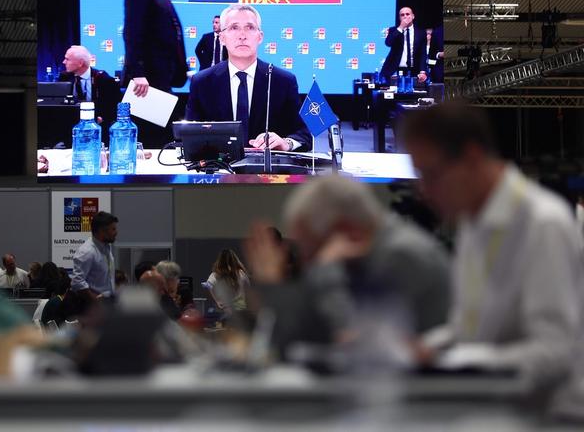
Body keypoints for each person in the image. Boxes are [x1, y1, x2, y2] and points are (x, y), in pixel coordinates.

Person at [401, 100, 583, 387]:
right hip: (490, 398)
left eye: (431, 175)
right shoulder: (472, 222)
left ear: (471, 157)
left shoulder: (543, 224)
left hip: (549, 409)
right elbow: (468, 329)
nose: (424, 190)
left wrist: (458, 361)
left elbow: (555, 351)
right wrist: (424, 347)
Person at [245, 175, 451, 363]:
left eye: (311, 252)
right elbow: (301, 341)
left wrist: (324, 270)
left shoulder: (401, 256)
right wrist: (272, 290)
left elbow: (358, 348)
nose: (308, 264)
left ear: (343, 230)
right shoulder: (366, 256)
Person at [185, 4, 311, 151]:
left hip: (267, 165)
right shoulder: (202, 82)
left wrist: (286, 143)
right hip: (218, 164)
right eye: (234, 28)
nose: (242, 36)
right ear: (222, 38)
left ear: (260, 37)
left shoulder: (283, 81)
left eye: (250, 27)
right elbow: (188, 135)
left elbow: (304, 135)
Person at [122, 0, 188, 148]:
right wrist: (137, 73)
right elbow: (132, 32)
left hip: (161, 79)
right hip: (147, 83)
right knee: (151, 139)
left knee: (161, 138)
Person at [61, 45, 122, 136]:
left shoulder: (104, 79)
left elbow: (114, 106)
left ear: (80, 63)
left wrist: (103, 118)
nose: (64, 62)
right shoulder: (64, 77)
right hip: (71, 125)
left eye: (67, 59)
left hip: (98, 127)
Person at [70, 211, 118, 304]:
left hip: (106, 304)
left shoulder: (106, 248)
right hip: (91, 307)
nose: (116, 232)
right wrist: (95, 302)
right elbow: (77, 282)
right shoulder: (87, 251)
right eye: (113, 229)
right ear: (101, 231)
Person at [381, 6, 428, 84]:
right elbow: (388, 43)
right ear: (399, 18)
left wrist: (422, 71)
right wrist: (401, 27)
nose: (405, 16)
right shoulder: (393, 30)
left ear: (413, 16)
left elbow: (423, 53)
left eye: (407, 14)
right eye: (402, 15)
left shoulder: (421, 32)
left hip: (414, 70)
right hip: (394, 70)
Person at [205, 249, 251, 314]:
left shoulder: (216, 274)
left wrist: (217, 301)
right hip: (239, 306)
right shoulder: (240, 273)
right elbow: (248, 286)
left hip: (228, 307)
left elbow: (208, 285)